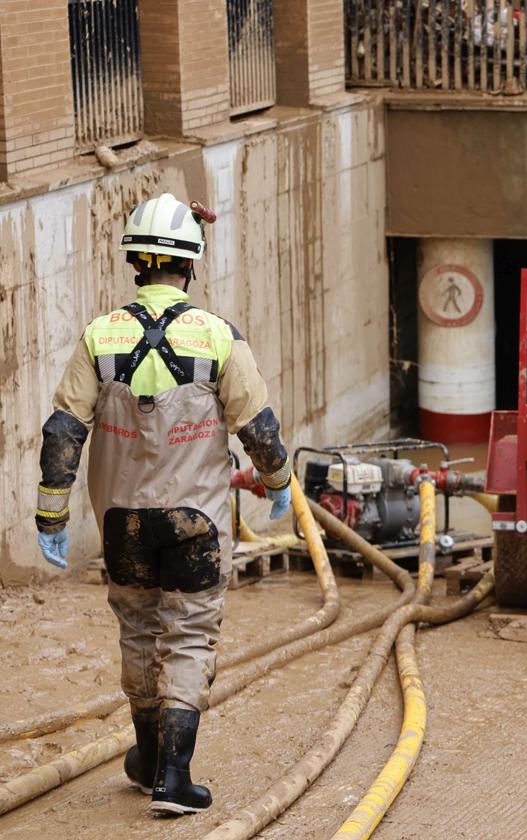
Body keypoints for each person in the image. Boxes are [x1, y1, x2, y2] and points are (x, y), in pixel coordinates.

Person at [34, 193, 293, 816]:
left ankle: (147, 758)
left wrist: (51, 514)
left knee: (138, 628)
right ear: (192, 265)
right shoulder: (217, 337)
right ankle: (173, 779)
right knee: (189, 634)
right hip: (195, 521)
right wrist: (278, 481)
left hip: (122, 520)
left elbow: (63, 431)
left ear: (135, 263)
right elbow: (257, 427)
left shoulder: (99, 335)